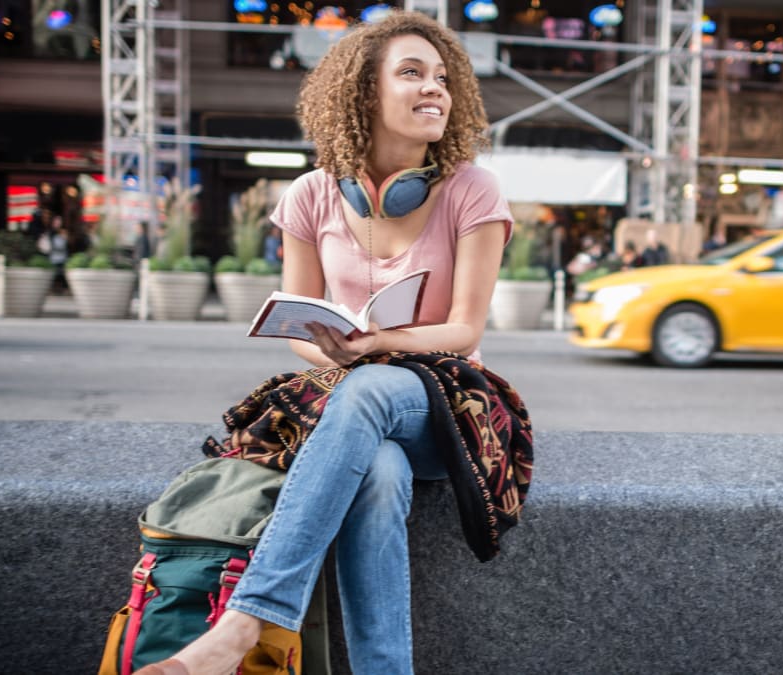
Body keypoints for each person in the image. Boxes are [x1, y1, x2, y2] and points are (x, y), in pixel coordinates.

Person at [136, 12, 515, 675]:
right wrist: (335, 349)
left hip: (449, 404)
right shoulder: (310, 195)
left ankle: (245, 621)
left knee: (371, 388)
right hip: (352, 402)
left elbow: (465, 330)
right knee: (378, 474)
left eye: (443, 78)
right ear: (363, 92)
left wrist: (374, 345)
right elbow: (297, 327)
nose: (436, 89)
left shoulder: (472, 191)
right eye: (411, 73)